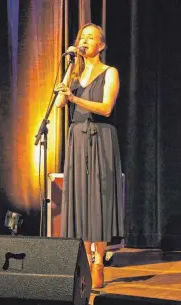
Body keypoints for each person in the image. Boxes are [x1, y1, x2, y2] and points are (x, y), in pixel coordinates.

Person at [55, 23, 124, 289]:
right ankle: (84, 259)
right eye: (82, 37)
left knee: (99, 196)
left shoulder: (110, 72)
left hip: (101, 136)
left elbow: (106, 108)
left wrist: (75, 98)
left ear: (101, 45)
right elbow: (60, 103)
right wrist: (70, 70)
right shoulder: (73, 73)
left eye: (90, 37)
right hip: (77, 138)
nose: (84, 41)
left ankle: (98, 262)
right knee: (80, 196)